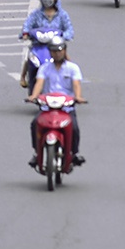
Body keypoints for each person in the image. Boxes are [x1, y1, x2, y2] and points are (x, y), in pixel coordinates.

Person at [28, 35, 86, 165]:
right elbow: (39, 83)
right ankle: (37, 153)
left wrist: (78, 97)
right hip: (47, 107)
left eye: (60, 50)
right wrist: (34, 96)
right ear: (50, 52)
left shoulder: (73, 68)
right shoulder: (44, 68)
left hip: (66, 108)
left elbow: (76, 85)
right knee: (34, 124)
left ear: (65, 50)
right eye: (54, 51)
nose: (57, 53)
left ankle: (74, 153)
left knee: (74, 128)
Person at [18, 0, 72, 89]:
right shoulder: (36, 14)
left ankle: (72, 79)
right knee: (30, 57)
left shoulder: (62, 15)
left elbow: (69, 29)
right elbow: (27, 24)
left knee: (67, 60)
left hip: (56, 46)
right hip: (38, 45)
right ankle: (23, 77)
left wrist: (63, 36)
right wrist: (25, 33)